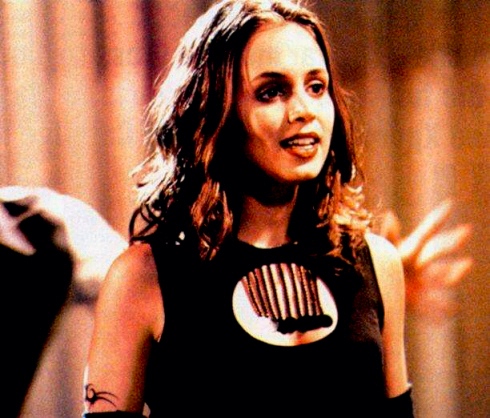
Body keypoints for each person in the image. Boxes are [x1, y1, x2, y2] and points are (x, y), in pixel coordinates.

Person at [79, 1, 415, 416]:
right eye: (271, 92)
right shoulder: (143, 279)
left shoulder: (378, 263)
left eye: (316, 87)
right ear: (215, 110)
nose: (304, 111)